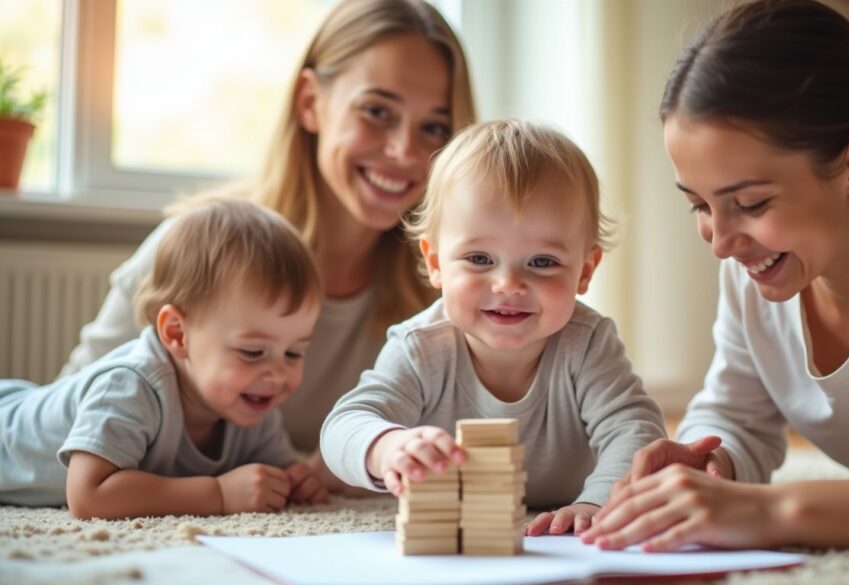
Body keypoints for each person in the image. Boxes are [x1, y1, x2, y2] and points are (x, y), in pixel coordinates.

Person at [581, 0, 849, 551]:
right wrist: (704, 462)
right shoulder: (757, 274)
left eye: (750, 202)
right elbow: (734, 416)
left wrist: (772, 511)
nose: (720, 243)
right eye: (699, 205)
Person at [58, 0, 477, 485]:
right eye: (377, 111)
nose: (405, 151)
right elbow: (74, 419)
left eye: (433, 127)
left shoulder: (450, 285)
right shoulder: (200, 248)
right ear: (309, 103)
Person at [319, 120, 667, 536]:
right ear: (435, 264)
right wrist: (388, 446)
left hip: (567, 503)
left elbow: (636, 429)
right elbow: (344, 425)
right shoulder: (420, 347)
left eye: (542, 262)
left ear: (585, 271)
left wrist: (597, 501)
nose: (508, 285)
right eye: (480, 259)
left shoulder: (586, 341)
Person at [0, 199, 328, 519]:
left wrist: (298, 482)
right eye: (252, 352)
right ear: (177, 334)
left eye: (293, 353)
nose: (277, 373)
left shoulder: (253, 403)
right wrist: (218, 494)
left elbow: (280, 469)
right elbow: (88, 495)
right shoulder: (130, 385)